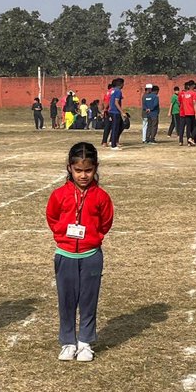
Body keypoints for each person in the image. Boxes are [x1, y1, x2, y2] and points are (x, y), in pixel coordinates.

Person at [46, 140, 114, 362]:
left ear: (95, 169)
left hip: (91, 256)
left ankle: (85, 342)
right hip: (65, 255)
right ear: (69, 168)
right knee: (66, 300)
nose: (83, 175)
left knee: (88, 299)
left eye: (88, 170)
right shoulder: (59, 194)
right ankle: (68, 341)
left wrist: (95, 238)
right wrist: (61, 235)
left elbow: (106, 222)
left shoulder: (101, 196)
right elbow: (52, 216)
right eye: (78, 170)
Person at [105, 78, 125, 150]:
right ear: (120, 84)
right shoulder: (118, 91)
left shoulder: (112, 91)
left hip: (111, 111)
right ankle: (113, 145)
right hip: (115, 112)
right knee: (115, 128)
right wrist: (122, 112)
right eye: (123, 84)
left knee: (116, 127)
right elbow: (116, 102)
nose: (123, 85)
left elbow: (110, 101)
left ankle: (113, 142)